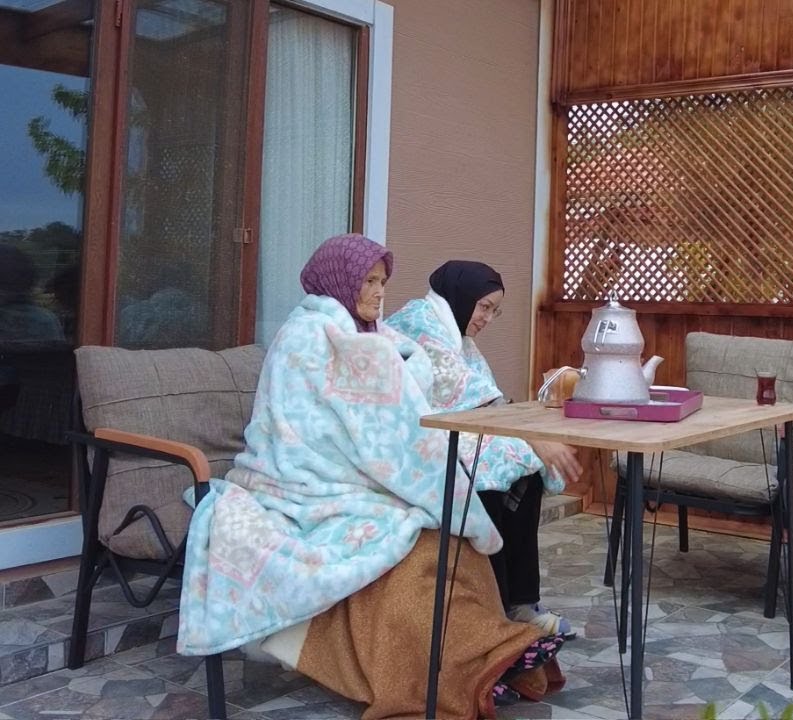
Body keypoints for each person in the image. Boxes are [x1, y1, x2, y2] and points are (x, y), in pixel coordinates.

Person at [177, 234, 564, 719]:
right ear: (340, 280)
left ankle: (493, 649)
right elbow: (340, 426)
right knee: (411, 555)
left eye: (382, 280)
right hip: (302, 484)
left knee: (447, 544)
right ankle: (472, 663)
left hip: (353, 481)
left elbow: (395, 396)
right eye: (369, 280)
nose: (380, 291)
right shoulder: (308, 336)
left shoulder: (368, 333)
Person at [386, 260, 583, 637]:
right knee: (488, 476)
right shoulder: (421, 323)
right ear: (463, 296)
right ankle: (495, 611)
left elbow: (481, 394)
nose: (488, 318)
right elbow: (464, 392)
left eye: (495, 310)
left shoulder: (456, 334)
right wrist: (535, 438)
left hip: (448, 431)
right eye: (485, 307)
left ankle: (520, 603)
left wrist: (529, 438)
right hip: (409, 439)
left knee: (524, 471)